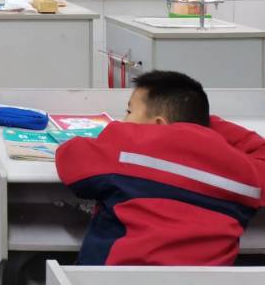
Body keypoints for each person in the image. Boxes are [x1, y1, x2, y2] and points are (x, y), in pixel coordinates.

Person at [55, 70, 261, 266]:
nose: (123, 120)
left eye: (129, 112)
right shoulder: (245, 173)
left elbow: (70, 157)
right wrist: (198, 124)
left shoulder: (127, 145)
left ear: (159, 125)